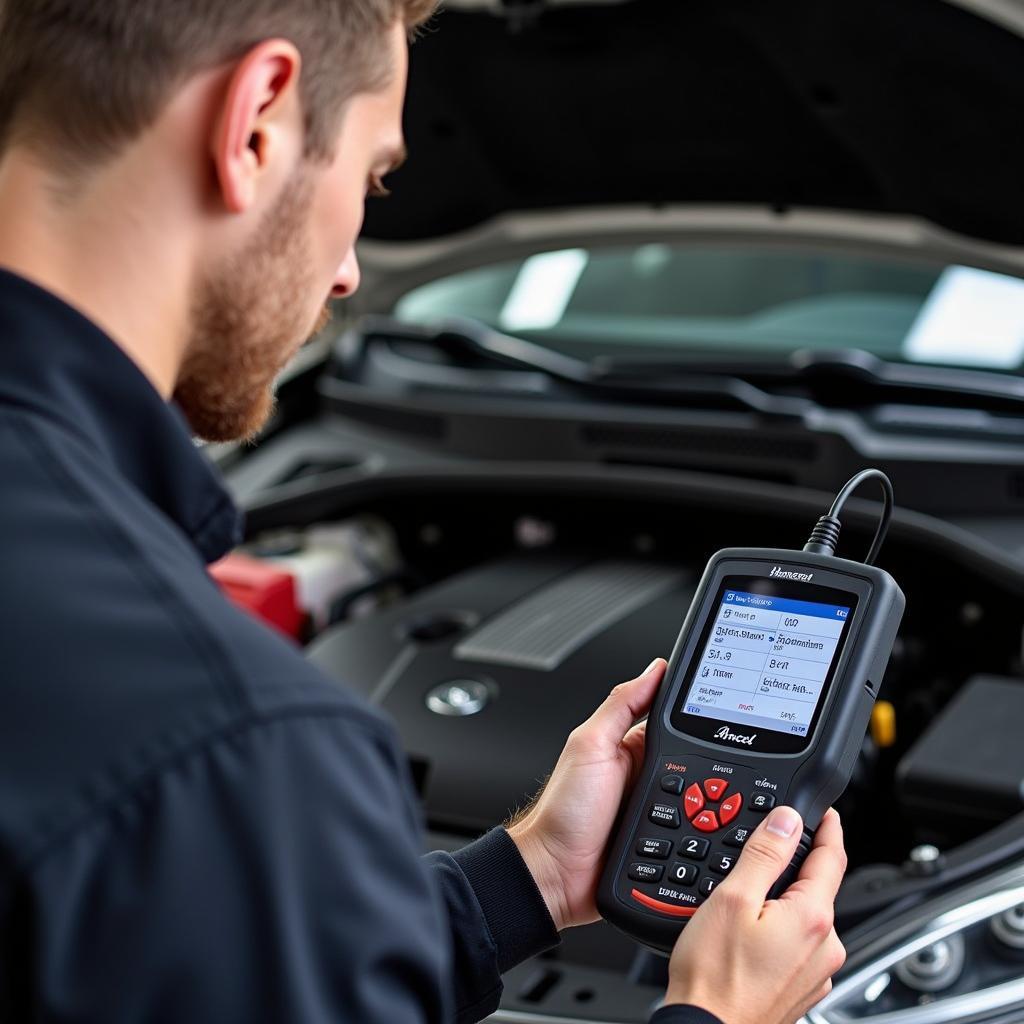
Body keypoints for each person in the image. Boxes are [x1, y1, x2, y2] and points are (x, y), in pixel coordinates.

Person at [0, 1, 848, 1021]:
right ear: (257, 122)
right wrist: (713, 1015)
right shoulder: (225, 750)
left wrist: (526, 879)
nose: (352, 269)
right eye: (371, 179)